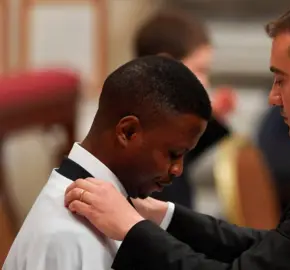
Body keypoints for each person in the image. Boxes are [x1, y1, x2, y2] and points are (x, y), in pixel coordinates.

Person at [64, 0, 290, 269]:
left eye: (281, 79)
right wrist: (165, 216)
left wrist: (133, 230)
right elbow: (279, 249)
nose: (274, 97)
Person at [2, 56, 212, 270]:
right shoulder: (69, 236)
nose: (178, 170)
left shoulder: (118, 216)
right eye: (173, 153)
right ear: (128, 132)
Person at [134, 10, 236, 210]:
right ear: (166, 65)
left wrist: (212, 117)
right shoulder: (146, 134)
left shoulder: (167, 125)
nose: (205, 82)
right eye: (200, 69)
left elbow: (189, 150)